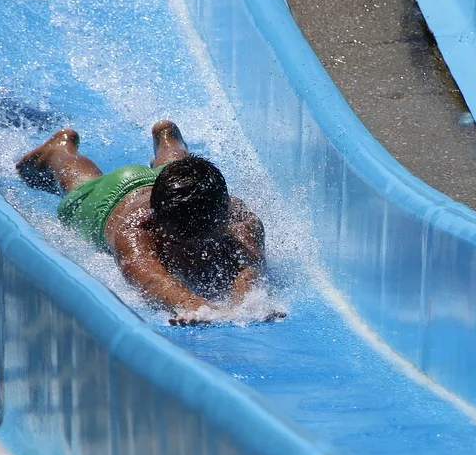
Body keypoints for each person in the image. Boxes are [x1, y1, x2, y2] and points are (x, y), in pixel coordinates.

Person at [16, 120, 281, 325]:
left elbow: (250, 268)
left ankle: (168, 143)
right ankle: (58, 151)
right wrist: (196, 305)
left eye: (204, 236)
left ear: (223, 215)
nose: (195, 248)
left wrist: (246, 304)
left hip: (165, 184)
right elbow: (150, 278)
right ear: (155, 221)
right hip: (107, 201)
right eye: (181, 238)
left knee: (183, 174)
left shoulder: (242, 221)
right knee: (80, 183)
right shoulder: (132, 229)